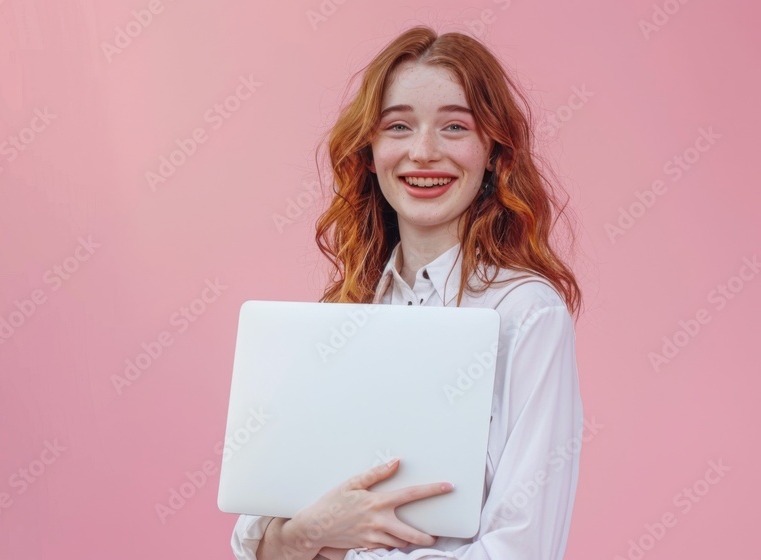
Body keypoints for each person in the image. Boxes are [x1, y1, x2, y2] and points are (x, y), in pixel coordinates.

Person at [230, 25, 584, 560]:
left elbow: (524, 549)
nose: (423, 152)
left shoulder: (526, 313)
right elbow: (254, 535)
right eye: (398, 125)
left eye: (455, 126)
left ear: (493, 151)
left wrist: (336, 548)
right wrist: (307, 533)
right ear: (370, 152)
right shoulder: (346, 314)